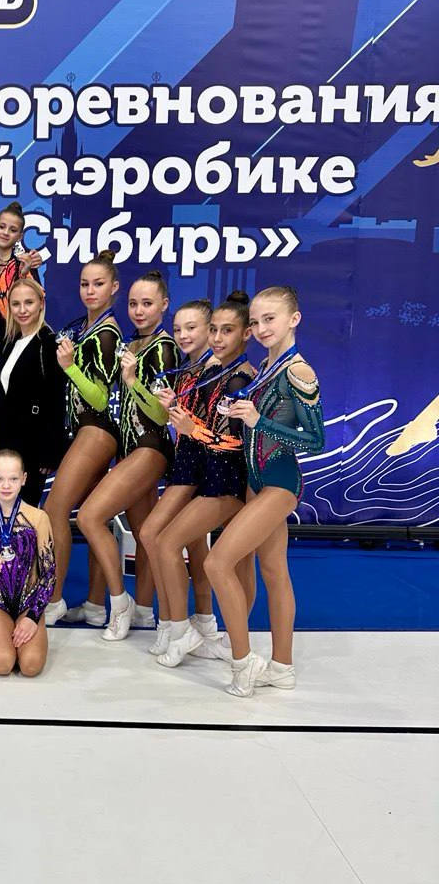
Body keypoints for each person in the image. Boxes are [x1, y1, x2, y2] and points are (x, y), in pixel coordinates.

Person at [205, 286, 324, 695]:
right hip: (255, 480)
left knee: (217, 563)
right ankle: (282, 667)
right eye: (255, 322)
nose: (261, 328)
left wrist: (259, 421)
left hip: (280, 481)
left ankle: (243, 662)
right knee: (274, 572)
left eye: (269, 319)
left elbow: (315, 441)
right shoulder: (268, 365)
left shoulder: (298, 372)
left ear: (294, 318)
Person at [148, 292, 257, 667]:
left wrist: (190, 429)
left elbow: (233, 443)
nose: (218, 338)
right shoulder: (215, 373)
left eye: (227, 331)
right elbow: (206, 425)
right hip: (210, 476)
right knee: (168, 542)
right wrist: (180, 416)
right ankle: (191, 627)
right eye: (215, 330)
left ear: (245, 334)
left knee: (179, 546)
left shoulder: (240, 378)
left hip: (229, 483)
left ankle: (192, 631)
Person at [77, 270, 182, 642]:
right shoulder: (133, 344)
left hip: (149, 447)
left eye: (147, 304)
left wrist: (133, 382)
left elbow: (160, 415)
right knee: (144, 534)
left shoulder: (163, 348)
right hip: (131, 449)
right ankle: (147, 611)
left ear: (164, 305)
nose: (139, 311)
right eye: (134, 304)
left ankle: (119, 602)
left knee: (90, 517)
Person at [42, 252, 124, 628]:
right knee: (96, 517)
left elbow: (101, 398)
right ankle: (94, 605)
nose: (90, 291)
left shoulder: (107, 334)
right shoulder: (84, 326)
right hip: (86, 429)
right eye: (84, 284)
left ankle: (54, 599)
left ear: (114, 288)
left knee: (54, 510)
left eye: (98, 284)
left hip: (97, 428)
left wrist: (70, 367)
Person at [136, 297, 217, 657]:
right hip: (186, 463)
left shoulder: (214, 370)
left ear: (210, 330)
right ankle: (197, 623)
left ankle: (178, 625)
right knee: (193, 545)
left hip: (204, 468)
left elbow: (216, 427)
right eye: (178, 328)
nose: (183, 335)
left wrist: (188, 422)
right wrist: (171, 407)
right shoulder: (186, 369)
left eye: (191, 328)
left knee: (153, 534)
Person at [0, 449, 56, 677]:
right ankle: (1, 632)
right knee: (3, 665)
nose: (6, 485)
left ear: (24, 479)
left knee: (31, 667)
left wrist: (33, 617)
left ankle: (25, 629)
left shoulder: (38, 518)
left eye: (13, 479)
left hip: (29, 602)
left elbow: (49, 575)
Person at [0, 277, 66, 507]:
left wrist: (49, 452)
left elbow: (55, 401)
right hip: (5, 441)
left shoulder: (49, 343)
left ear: (41, 304)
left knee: (25, 511)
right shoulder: (9, 342)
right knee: (4, 511)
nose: (22, 310)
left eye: (29, 303)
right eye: (16, 304)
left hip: (33, 446)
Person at [0, 202, 45, 331]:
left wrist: (24, 274)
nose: (6, 232)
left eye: (13, 230)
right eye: (2, 227)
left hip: (23, 331)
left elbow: (39, 300)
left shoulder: (24, 264)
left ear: (20, 236)